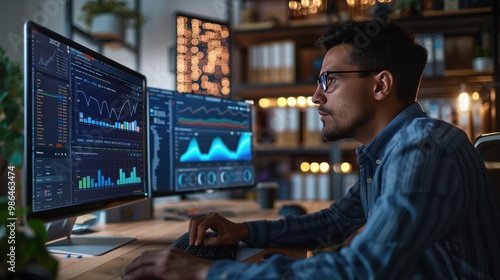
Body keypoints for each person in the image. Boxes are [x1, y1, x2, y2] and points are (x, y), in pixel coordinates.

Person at [123, 19, 500, 280]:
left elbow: (362, 271)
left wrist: (204, 271)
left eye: (329, 80)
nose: (315, 96)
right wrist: (243, 232)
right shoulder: (382, 153)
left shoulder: (424, 148)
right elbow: (335, 223)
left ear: (381, 85)